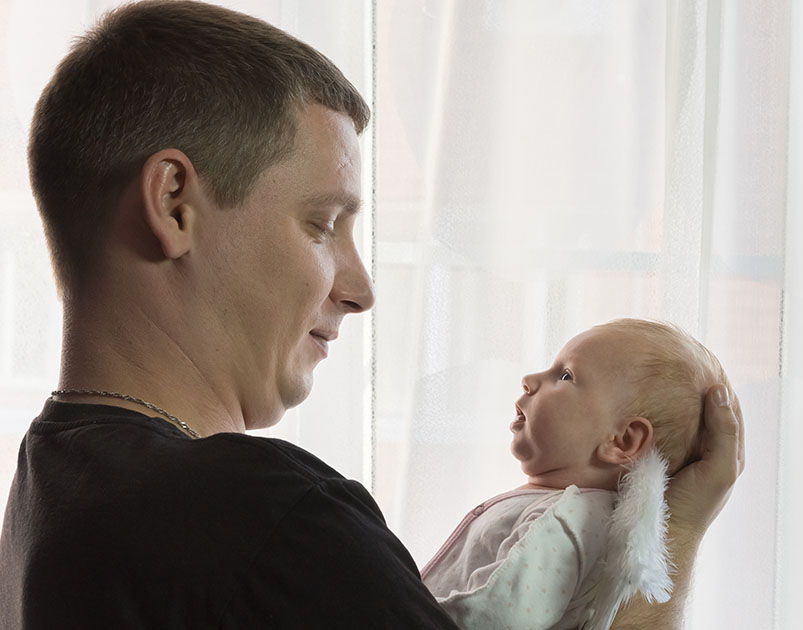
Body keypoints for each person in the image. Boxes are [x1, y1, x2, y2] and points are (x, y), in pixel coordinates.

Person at [0, 1, 744, 629]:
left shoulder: (48, 478)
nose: (360, 289)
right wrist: (672, 531)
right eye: (323, 225)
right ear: (173, 205)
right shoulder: (269, 517)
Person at [422, 319, 730, 629]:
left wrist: (406, 606)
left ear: (622, 441)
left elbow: (496, 616)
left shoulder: (568, 519)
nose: (528, 380)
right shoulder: (567, 510)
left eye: (565, 375)